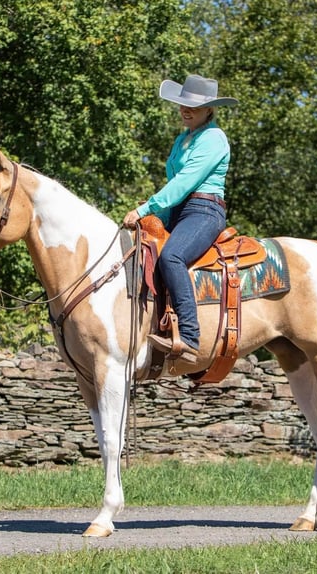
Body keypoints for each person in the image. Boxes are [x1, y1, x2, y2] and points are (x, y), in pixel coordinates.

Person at [123, 74, 238, 365]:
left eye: (193, 107)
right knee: (141, 251)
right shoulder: (182, 140)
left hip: (204, 211)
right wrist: (150, 218)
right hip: (178, 212)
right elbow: (175, 188)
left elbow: (186, 182)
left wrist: (145, 208)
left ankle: (189, 336)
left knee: (171, 256)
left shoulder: (214, 138)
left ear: (209, 110)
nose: (185, 111)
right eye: (182, 105)